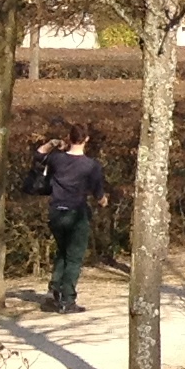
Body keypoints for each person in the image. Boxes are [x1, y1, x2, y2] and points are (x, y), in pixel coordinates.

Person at [22, 127, 107, 313]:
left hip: (56, 213)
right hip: (76, 214)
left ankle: (55, 292)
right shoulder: (91, 166)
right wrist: (104, 201)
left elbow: (38, 155)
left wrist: (52, 143)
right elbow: (99, 195)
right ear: (87, 139)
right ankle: (68, 300)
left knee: (62, 251)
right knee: (74, 257)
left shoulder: (57, 159)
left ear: (69, 138)